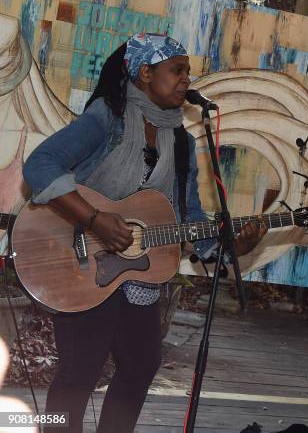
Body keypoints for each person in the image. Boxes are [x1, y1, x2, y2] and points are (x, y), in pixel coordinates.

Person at [22, 33, 266, 433]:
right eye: (178, 70)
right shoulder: (108, 117)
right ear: (146, 73)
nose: (187, 79)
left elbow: (187, 217)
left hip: (136, 278)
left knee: (140, 366)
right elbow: (41, 166)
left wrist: (232, 244)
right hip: (79, 264)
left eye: (188, 71)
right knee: (79, 372)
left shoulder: (183, 143)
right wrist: (95, 218)